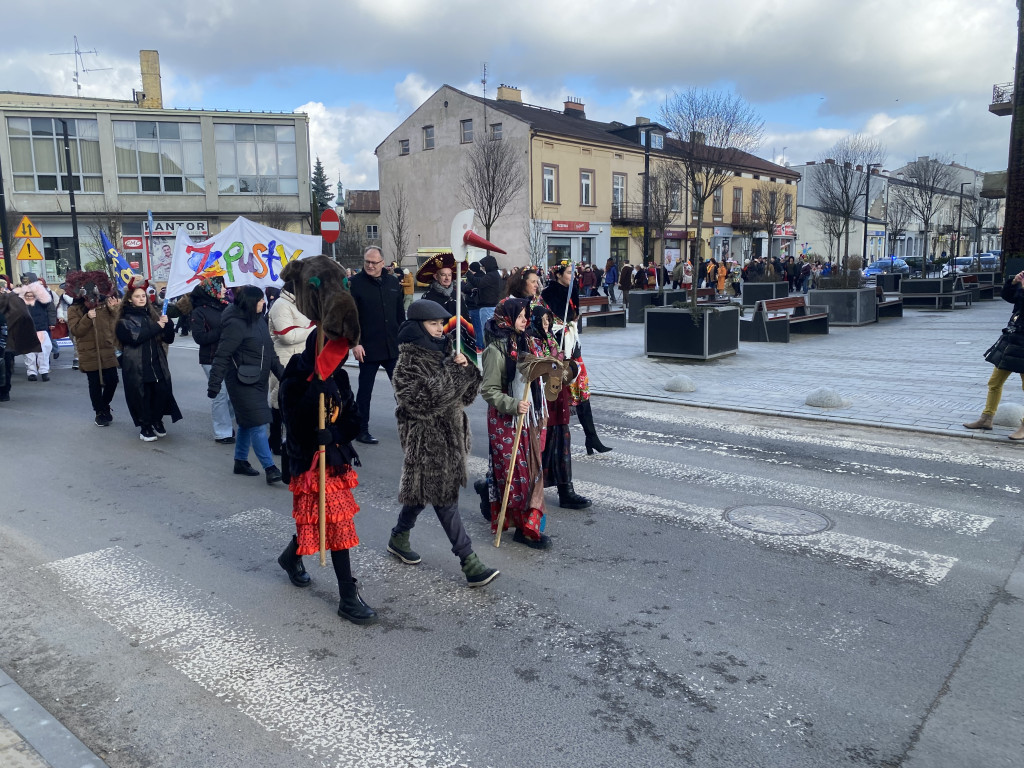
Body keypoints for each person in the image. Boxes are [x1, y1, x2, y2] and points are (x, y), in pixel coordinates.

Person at [387, 299, 500, 587]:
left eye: (441, 323)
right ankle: (469, 562)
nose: (440, 329)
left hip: (452, 433)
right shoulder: (407, 362)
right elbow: (420, 402)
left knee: (420, 491)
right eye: (433, 323)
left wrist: (467, 369)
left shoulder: (448, 351)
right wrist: (452, 371)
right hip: (425, 438)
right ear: (418, 326)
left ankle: (399, 536)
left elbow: (466, 396)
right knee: (443, 497)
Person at [277, 310, 377, 625]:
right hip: (307, 462)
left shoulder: (340, 376)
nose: (337, 361)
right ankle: (347, 596)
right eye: (332, 354)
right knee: (324, 524)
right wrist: (312, 398)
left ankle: (295, 559)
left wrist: (334, 433)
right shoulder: (294, 378)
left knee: (334, 523)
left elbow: (354, 418)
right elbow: (292, 425)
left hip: (334, 461)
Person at [479, 297, 551, 550]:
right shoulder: (495, 350)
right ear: (507, 319)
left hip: (527, 416)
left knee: (532, 471)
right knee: (516, 476)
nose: (525, 321)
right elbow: (488, 390)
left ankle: (528, 524)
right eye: (521, 317)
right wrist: (512, 405)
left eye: (525, 316)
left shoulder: (527, 341)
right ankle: (522, 527)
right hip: (505, 420)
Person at [207, 286, 284, 482]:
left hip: (258, 380)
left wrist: (286, 376)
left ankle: (240, 461)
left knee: (247, 422)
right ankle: (270, 468)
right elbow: (222, 355)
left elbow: (270, 354)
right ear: (250, 302)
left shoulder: (258, 321)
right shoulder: (235, 324)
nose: (263, 303)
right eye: (259, 300)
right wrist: (214, 384)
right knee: (258, 423)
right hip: (241, 381)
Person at [541, 262, 612, 455]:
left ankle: (592, 437)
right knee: (556, 396)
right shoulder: (548, 293)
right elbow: (546, 321)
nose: (572, 276)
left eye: (573, 273)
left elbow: (575, 316)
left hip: (573, 347)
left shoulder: (572, 291)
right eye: (569, 272)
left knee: (582, 392)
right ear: (558, 274)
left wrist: (572, 322)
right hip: (557, 349)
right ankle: (549, 443)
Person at [528, 305, 591, 509]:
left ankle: (566, 490)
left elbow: (560, 365)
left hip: (558, 400)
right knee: (538, 449)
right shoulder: (531, 341)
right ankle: (524, 492)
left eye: (548, 320)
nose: (547, 324)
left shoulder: (552, 339)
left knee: (562, 446)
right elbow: (539, 370)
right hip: (543, 402)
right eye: (543, 321)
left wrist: (569, 365)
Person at [348, 246, 405, 444]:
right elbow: (350, 317)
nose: (370, 265)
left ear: (383, 263)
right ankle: (361, 430)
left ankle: (409, 427)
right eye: (367, 262)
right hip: (367, 347)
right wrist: (355, 343)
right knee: (365, 392)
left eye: (374, 262)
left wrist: (403, 340)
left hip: (392, 345)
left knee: (402, 389)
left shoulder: (392, 282)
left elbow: (400, 314)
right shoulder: (354, 284)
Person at [116, 280, 182, 441]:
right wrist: (158, 326)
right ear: (130, 299)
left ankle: (157, 420)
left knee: (161, 393)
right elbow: (136, 337)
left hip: (157, 362)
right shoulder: (123, 321)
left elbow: (169, 339)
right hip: (136, 365)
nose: (141, 299)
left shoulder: (154, 315)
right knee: (142, 396)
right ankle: (145, 426)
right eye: (137, 296)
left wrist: (167, 325)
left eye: (143, 296)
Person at [965, 270, 1024, 440]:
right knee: (994, 382)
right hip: (1012, 341)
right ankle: (986, 418)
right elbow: (1010, 298)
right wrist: (1013, 283)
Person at [65, 271, 120, 427]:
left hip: (107, 349)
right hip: (88, 351)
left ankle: (105, 404)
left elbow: (117, 323)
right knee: (95, 383)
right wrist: (87, 318)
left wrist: (115, 309)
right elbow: (76, 331)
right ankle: (99, 412)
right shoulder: (74, 309)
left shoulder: (104, 304)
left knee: (112, 381)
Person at [268, 280, 314, 454]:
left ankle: (292, 439)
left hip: (301, 356)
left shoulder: (302, 304)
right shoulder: (281, 305)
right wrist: (313, 328)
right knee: (279, 400)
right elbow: (287, 336)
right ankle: (275, 439)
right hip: (284, 357)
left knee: (296, 401)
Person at [190, 276, 237, 443]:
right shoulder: (199, 311)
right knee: (220, 394)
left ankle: (226, 419)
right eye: (222, 286)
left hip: (231, 357)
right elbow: (200, 337)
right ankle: (222, 431)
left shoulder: (228, 307)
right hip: (211, 359)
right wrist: (223, 330)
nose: (225, 289)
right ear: (212, 290)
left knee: (233, 394)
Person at [15, 275, 54, 381]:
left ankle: (44, 371)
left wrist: (51, 322)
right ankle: (31, 372)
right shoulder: (20, 293)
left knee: (44, 350)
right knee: (29, 352)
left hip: (40, 326)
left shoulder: (41, 293)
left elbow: (48, 304)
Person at [467, 254, 502, 353]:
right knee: (489, 332)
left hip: (488, 307)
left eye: (484, 266)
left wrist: (467, 272)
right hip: (490, 307)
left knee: (486, 332)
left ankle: (489, 352)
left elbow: (478, 283)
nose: (483, 268)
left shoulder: (491, 275)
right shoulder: (495, 274)